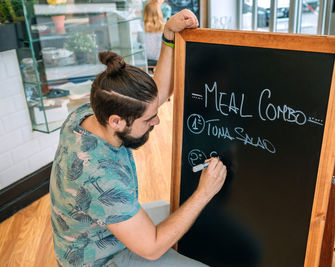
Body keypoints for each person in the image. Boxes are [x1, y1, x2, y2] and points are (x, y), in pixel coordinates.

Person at [49, 9, 227, 266]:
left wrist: (168, 36)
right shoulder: (100, 177)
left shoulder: (93, 109)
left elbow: (158, 93)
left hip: (103, 230)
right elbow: (152, 247)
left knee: (187, 217)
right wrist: (204, 192)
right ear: (117, 121)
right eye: (148, 120)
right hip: (100, 258)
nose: (156, 121)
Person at [143, 1, 165, 68]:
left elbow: (139, 40)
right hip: (158, 59)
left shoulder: (141, 26)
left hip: (146, 59)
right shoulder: (163, 28)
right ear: (159, 13)